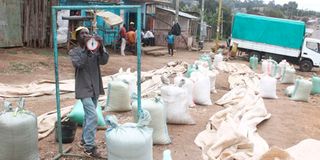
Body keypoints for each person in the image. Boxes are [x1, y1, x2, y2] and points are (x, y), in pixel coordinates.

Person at [68, 26, 109, 158]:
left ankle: (84, 140)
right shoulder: (74, 51)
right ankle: (89, 147)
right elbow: (78, 64)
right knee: (93, 116)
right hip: (83, 88)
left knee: (87, 116)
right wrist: (86, 49)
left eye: (87, 33)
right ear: (78, 37)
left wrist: (101, 46)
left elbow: (104, 61)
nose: (85, 35)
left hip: (95, 87)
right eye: (82, 34)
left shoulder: (95, 49)